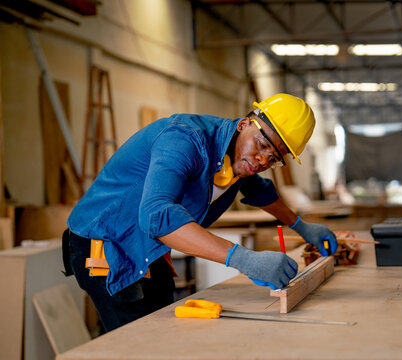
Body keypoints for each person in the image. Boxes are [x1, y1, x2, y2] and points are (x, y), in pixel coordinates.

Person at [63, 93, 338, 332]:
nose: (263, 160)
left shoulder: (238, 155)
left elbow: (259, 190)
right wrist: (243, 259)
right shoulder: (184, 139)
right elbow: (157, 216)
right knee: (138, 340)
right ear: (245, 123)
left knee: (166, 329)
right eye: (263, 145)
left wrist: (301, 226)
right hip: (105, 243)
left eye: (274, 158)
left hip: (148, 246)